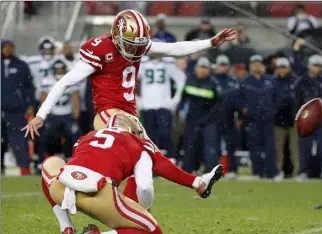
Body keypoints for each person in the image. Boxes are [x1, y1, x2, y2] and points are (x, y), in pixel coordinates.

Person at [22, 9, 235, 195]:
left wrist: (210, 43)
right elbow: (65, 82)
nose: (134, 50)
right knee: (119, 157)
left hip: (130, 114)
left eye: (138, 45)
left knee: (149, 161)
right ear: (116, 36)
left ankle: (197, 184)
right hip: (109, 112)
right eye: (130, 44)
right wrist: (41, 115)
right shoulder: (100, 50)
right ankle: (76, 184)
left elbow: (172, 49)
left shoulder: (138, 46)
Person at [41, 114, 223, 234]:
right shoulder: (138, 144)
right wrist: (144, 211)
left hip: (61, 189)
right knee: (153, 233)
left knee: (51, 163)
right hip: (98, 195)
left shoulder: (88, 136)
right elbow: (144, 187)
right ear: (133, 130)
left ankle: (66, 227)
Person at [293, 38, 322, 182]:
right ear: (310, 65)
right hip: (306, 118)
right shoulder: (302, 80)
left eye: (319, 65)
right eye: (315, 65)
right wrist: (296, 49)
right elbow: (297, 99)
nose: (317, 67)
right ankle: (303, 172)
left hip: (321, 119)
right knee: (305, 146)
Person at [234, 55, 278, 179]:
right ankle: (257, 172)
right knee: (254, 147)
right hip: (252, 120)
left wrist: (272, 110)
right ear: (250, 66)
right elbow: (237, 99)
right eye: (254, 64)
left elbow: (277, 98)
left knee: (270, 147)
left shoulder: (270, 81)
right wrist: (243, 109)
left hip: (268, 120)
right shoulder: (245, 81)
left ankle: (272, 172)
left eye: (259, 64)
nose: (257, 66)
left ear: (263, 66)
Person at [137, 55, 186, 161]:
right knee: (150, 136)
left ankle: (170, 158)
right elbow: (130, 80)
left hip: (164, 105)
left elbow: (181, 79)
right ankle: (153, 161)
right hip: (148, 106)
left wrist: (175, 99)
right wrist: (137, 99)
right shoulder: (142, 63)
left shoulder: (168, 63)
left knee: (165, 134)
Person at [36, 59, 81, 173]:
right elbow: (43, 96)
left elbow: (75, 96)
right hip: (53, 114)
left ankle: (75, 161)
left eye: (61, 69)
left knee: (76, 137)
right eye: (57, 69)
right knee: (45, 137)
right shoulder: (47, 80)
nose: (59, 71)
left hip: (67, 114)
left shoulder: (70, 79)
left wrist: (76, 111)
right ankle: (43, 162)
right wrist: (44, 113)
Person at [181, 57, 222, 174]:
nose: (202, 70)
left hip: (209, 120)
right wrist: (180, 109)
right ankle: (187, 169)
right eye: (200, 68)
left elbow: (218, 105)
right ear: (196, 68)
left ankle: (211, 172)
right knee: (189, 145)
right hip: (192, 119)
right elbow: (184, 97)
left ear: (208, 70)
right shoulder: (189, 80)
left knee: (210, 147)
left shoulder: (214, 83)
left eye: (205, 68)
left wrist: (207, 118)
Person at [1, 40, 35, 175]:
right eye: (4, 48)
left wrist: (31, 104)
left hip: (16, 111)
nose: (7, 50)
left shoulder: (21, 65)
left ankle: (25, 169)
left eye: (10, 48)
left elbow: (29, 86)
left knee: (19, 141)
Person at [273, 58, 300, 181]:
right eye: (280, 67)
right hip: (278, 120)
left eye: (284, 67)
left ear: (288, 68)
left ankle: (297, 172)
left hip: (293, 120)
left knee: (295, 148)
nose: (282, 69)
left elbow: (298, 99)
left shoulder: (295, 81)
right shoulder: (273, 81)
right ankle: (279, 171)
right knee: (278, 149)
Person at [212, 55, 239, 179]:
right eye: (220, 65)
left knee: (230, 145)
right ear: (217, 65)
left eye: (224, 65)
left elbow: (237, 99)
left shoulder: (233, 80)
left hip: (229, 117)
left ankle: (232, 169)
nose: (222, 67)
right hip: (214, 117)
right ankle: (214, 169)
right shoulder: (212, 79)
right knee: (214, 144)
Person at [24, 36, 56, 103]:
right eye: (45, 50)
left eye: (49, 50)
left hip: (55, 97)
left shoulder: (59, 60)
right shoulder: (33, 62)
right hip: (40, 96)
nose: (48, 52)